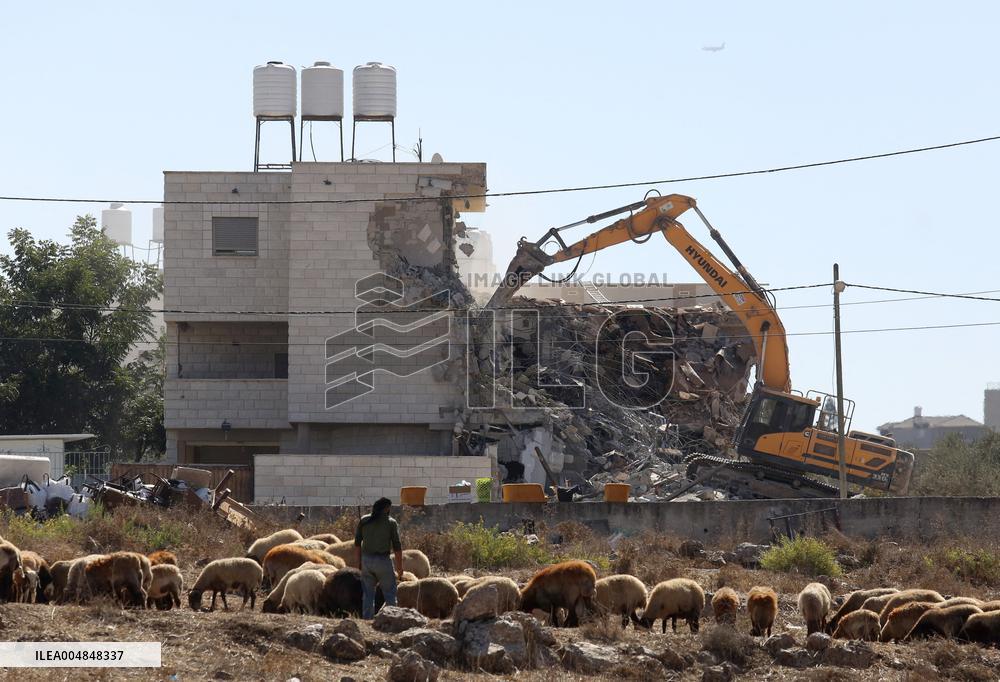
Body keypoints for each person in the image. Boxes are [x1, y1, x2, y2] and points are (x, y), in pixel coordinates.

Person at [354, 497, 403, 619]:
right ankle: (393, 619)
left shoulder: (364, 520)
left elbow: (357, 543)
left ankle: (367, 620)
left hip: (367, 561)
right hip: (383, 561)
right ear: (387, 508)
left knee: (368, 594)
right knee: (390, 593)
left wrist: (358, 562)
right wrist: (399, 567)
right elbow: (397, 546)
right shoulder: (391, 522)